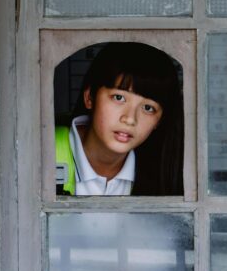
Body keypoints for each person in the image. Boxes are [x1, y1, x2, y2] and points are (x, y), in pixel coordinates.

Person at [55, 42, 184, 197]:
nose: (130, 119)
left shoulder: (164, 175)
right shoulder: (43, 150)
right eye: (119, 97)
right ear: (90, 97)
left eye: (148, 108)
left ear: (159, 121)